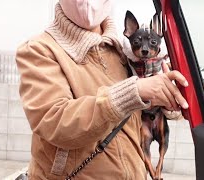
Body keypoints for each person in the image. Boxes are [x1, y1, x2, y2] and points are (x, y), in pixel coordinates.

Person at [15, 0, 188, 179]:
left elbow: (137, 114)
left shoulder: (124, 52)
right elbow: (54, 121)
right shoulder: (39, 49)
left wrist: (166, 100)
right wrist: (132, 91)